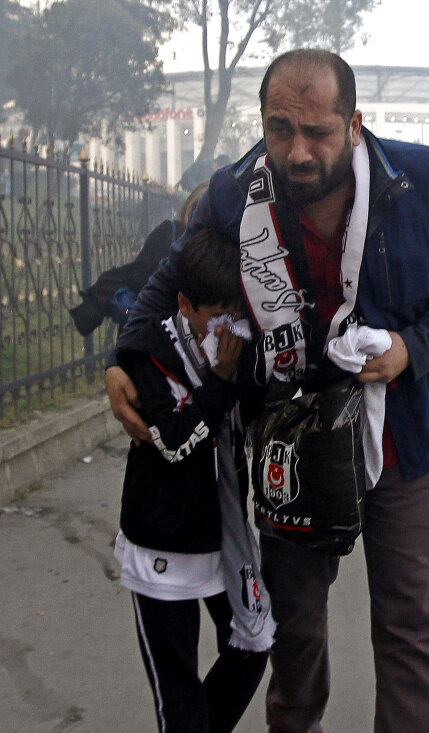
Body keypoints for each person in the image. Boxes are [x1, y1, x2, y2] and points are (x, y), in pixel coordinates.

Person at [104, 48, 429, 732]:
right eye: (279, 129)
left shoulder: (427, 181)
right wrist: (126, 354)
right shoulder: (236, 192)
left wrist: (413, 348)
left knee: (411, 627)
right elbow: (167, 272)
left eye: (317, 131)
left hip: (403, 436)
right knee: (294, 627)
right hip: (287, 441)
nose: (297, 151)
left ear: (354, 124)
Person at [113, 229, 269, 733]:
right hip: (164, 542)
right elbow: (176, 443)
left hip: (223, 537)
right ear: (184, 304)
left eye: (237, 314)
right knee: (177, 693)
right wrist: (221, 381)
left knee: (254, 643)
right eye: (217, 315)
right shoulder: (148, 354)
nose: (230, 328)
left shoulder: (237, 348)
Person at [70, 183, 210, 336]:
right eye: (196, 209)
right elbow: (140, 275)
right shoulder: (168, 232)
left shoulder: (215, 245)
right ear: (188, 208)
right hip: (147, 328)